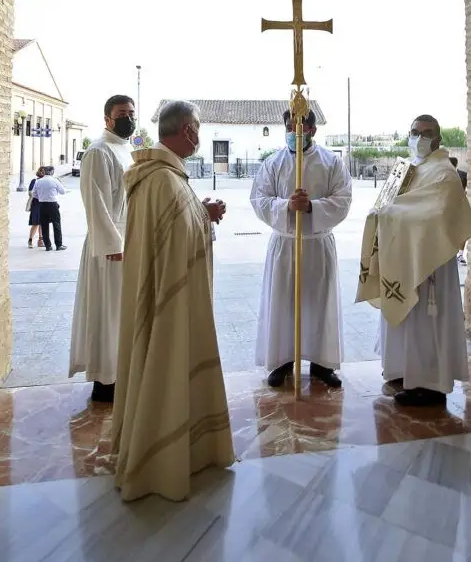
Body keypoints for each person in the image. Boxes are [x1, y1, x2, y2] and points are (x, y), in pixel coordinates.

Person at [112, 100, 233, 502]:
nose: (198, 135)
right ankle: (159, 455)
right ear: (188, 131)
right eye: (197, 128)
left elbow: (176, 229)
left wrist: (202, 213)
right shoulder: (163, 180)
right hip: (169, 297)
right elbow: (179, 239)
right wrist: (204, 216)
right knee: (165, 359)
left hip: (166, 288)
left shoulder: (163, 176)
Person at [357, 114, 471, 407]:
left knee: (426, 324)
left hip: (429, 262)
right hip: (403, 256)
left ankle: (431, 384)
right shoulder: (407, 168)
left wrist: (390, 214)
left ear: (438, 139)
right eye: (415, 132)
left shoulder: (443, 172)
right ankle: (401, 370)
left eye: (426, 133)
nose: (420, 137)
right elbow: (392, 202)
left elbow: (435, 213)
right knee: (407, 321)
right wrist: (382, 212)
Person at [251, 109, 352, 389]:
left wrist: (311, 207)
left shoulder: (331, 162)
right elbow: (258, 198)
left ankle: (322, 364)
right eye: (289, 126)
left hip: (317, 243)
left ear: (312, 130)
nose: (294, 132)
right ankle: (282, 362)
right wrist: (285, 206)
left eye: (300, 126)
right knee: (282, 303)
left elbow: (343, 199)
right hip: (285, 243)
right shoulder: (273, 162)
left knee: (320, 304)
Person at [69, 94, 136, 403]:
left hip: (128, 242)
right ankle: (104, 382)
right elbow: (95, 201)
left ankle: (122, 372)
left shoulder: (128, 150)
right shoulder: (98, 152)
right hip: (109, 247)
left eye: (131, 113)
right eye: (122, 113)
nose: (128, 118)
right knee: (107, 312)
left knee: (123, 314)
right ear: (107, 119)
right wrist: (112, 243)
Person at [32, 165, 68, 251]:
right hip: (52, 204)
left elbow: (34, 194)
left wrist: (41, 197)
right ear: (52, 172)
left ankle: (48, 246)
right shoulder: (55, 181)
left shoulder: (38, 181)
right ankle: (58, 245)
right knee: (56, 224)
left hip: (42, 204)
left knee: (44, 225)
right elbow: (63, 191)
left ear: (44, 172)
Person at [27, 166, 45, 248]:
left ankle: (40, 241)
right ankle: (30, 240)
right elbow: (30, 192)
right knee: (35, 223)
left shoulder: (46, 181)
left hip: (43, 203)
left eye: (44, 172)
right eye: (41, 171)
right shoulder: (34, 181)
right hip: (36, 204)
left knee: (42, 223)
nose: (42, 173)